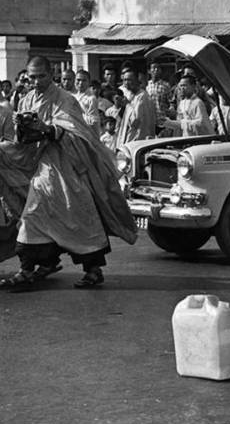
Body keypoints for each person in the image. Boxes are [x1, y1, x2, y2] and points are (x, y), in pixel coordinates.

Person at [0, 56, 137, 290]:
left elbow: (78, 133)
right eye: (31, 77)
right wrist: (21, 130)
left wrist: (48, 129)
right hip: (41, 167)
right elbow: (22, 140)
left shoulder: (66, 99)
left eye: (41, 76)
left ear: (51, 74)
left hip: (66, 165)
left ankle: (92, 269)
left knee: (77, 217)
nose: (35, 82)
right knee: (34, 215)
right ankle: (32, 267)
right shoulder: (26, 100)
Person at [112, 70, 156, 147]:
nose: (126, 82)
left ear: (136, 80)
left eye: (129, 80)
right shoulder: (130, 95)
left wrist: (128, 105)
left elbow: (135, 122)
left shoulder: (142, 97)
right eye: (124, 80)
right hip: (127, 140)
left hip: (137, 142)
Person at [145, 61, 173, 131]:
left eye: (158, 68)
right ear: (149, 71)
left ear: (161, 71)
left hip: (162, 120)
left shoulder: (166, 85)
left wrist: (170, 111)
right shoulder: (146, 86)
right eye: (154, 68)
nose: (156, 70)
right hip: (149, 120)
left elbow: (171, 101)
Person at [73, 70, 102, 136]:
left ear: (88, 82)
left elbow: (94, 121)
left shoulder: (91, 98)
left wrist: (77, 116)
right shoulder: (73, 96)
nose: (80, 83)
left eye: (84, 80)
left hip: (86, 133)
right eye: (78, 80)